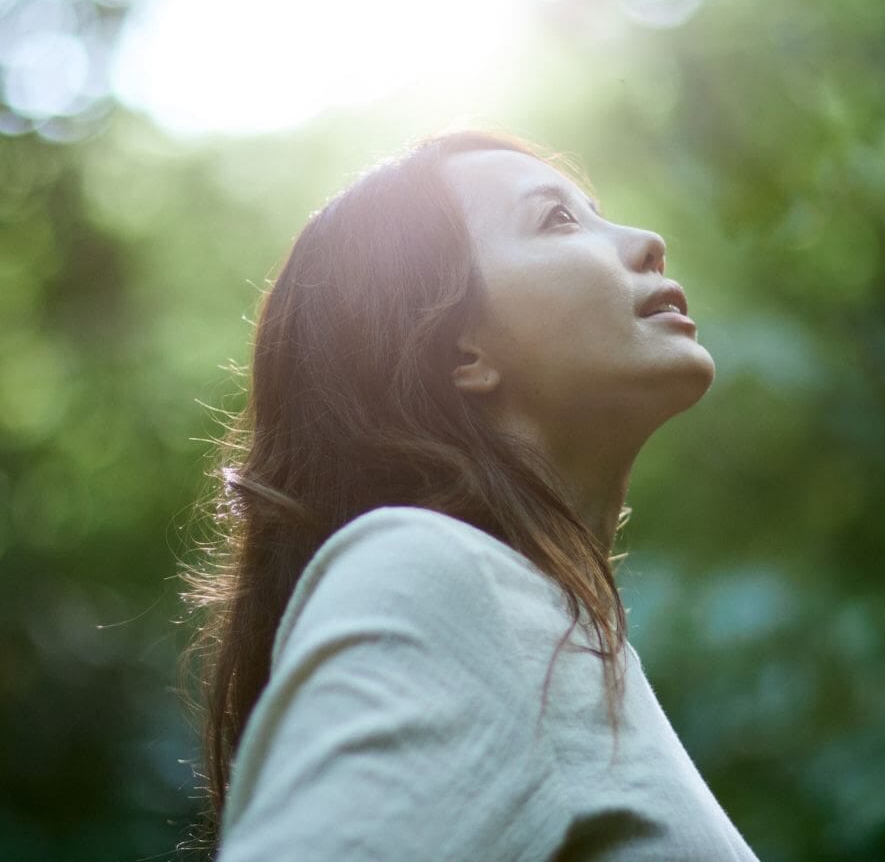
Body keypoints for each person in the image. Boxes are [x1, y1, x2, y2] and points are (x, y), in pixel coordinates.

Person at [182, 131, 760, 860]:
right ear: (462, 350)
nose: (648, 241)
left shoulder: (560, 639)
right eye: (558, 220)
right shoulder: (433, 578)